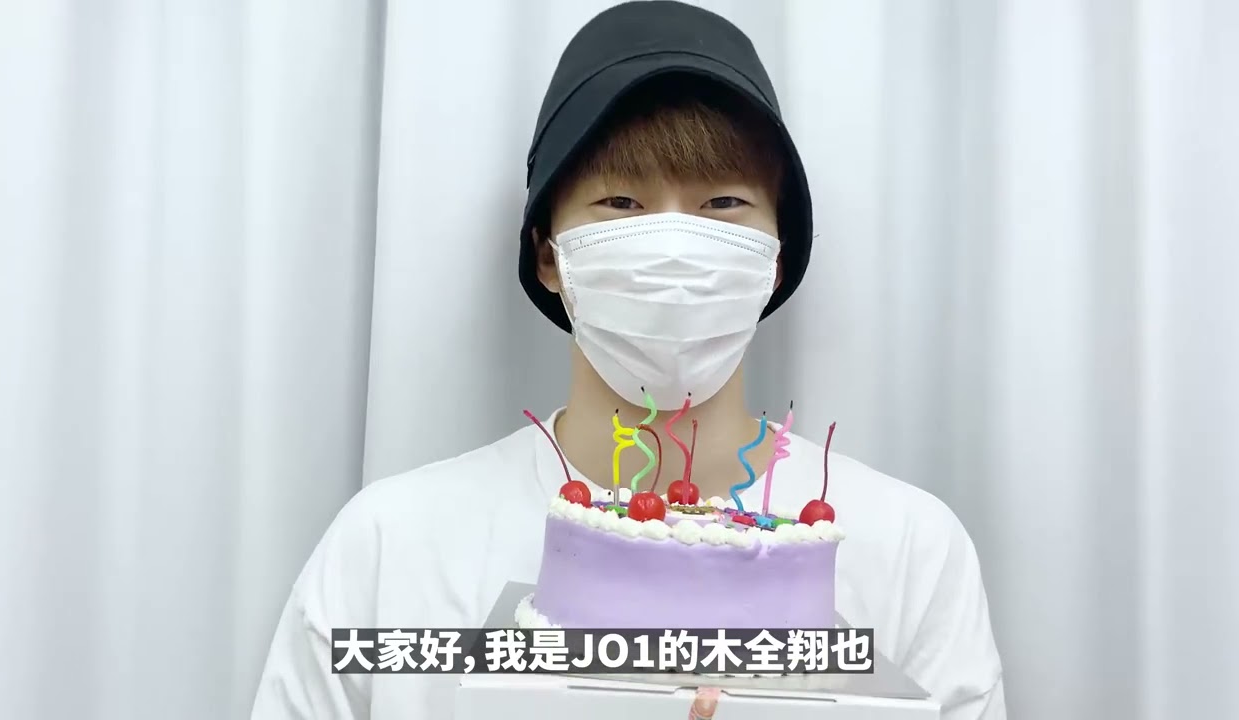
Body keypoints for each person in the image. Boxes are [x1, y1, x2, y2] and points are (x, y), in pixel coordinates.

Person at [252, 2, 1005, 718]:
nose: (673, 243)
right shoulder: (390, 547)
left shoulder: (910, 548)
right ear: (549, 254)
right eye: (621, 204)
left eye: (723, 204)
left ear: (775, 260)